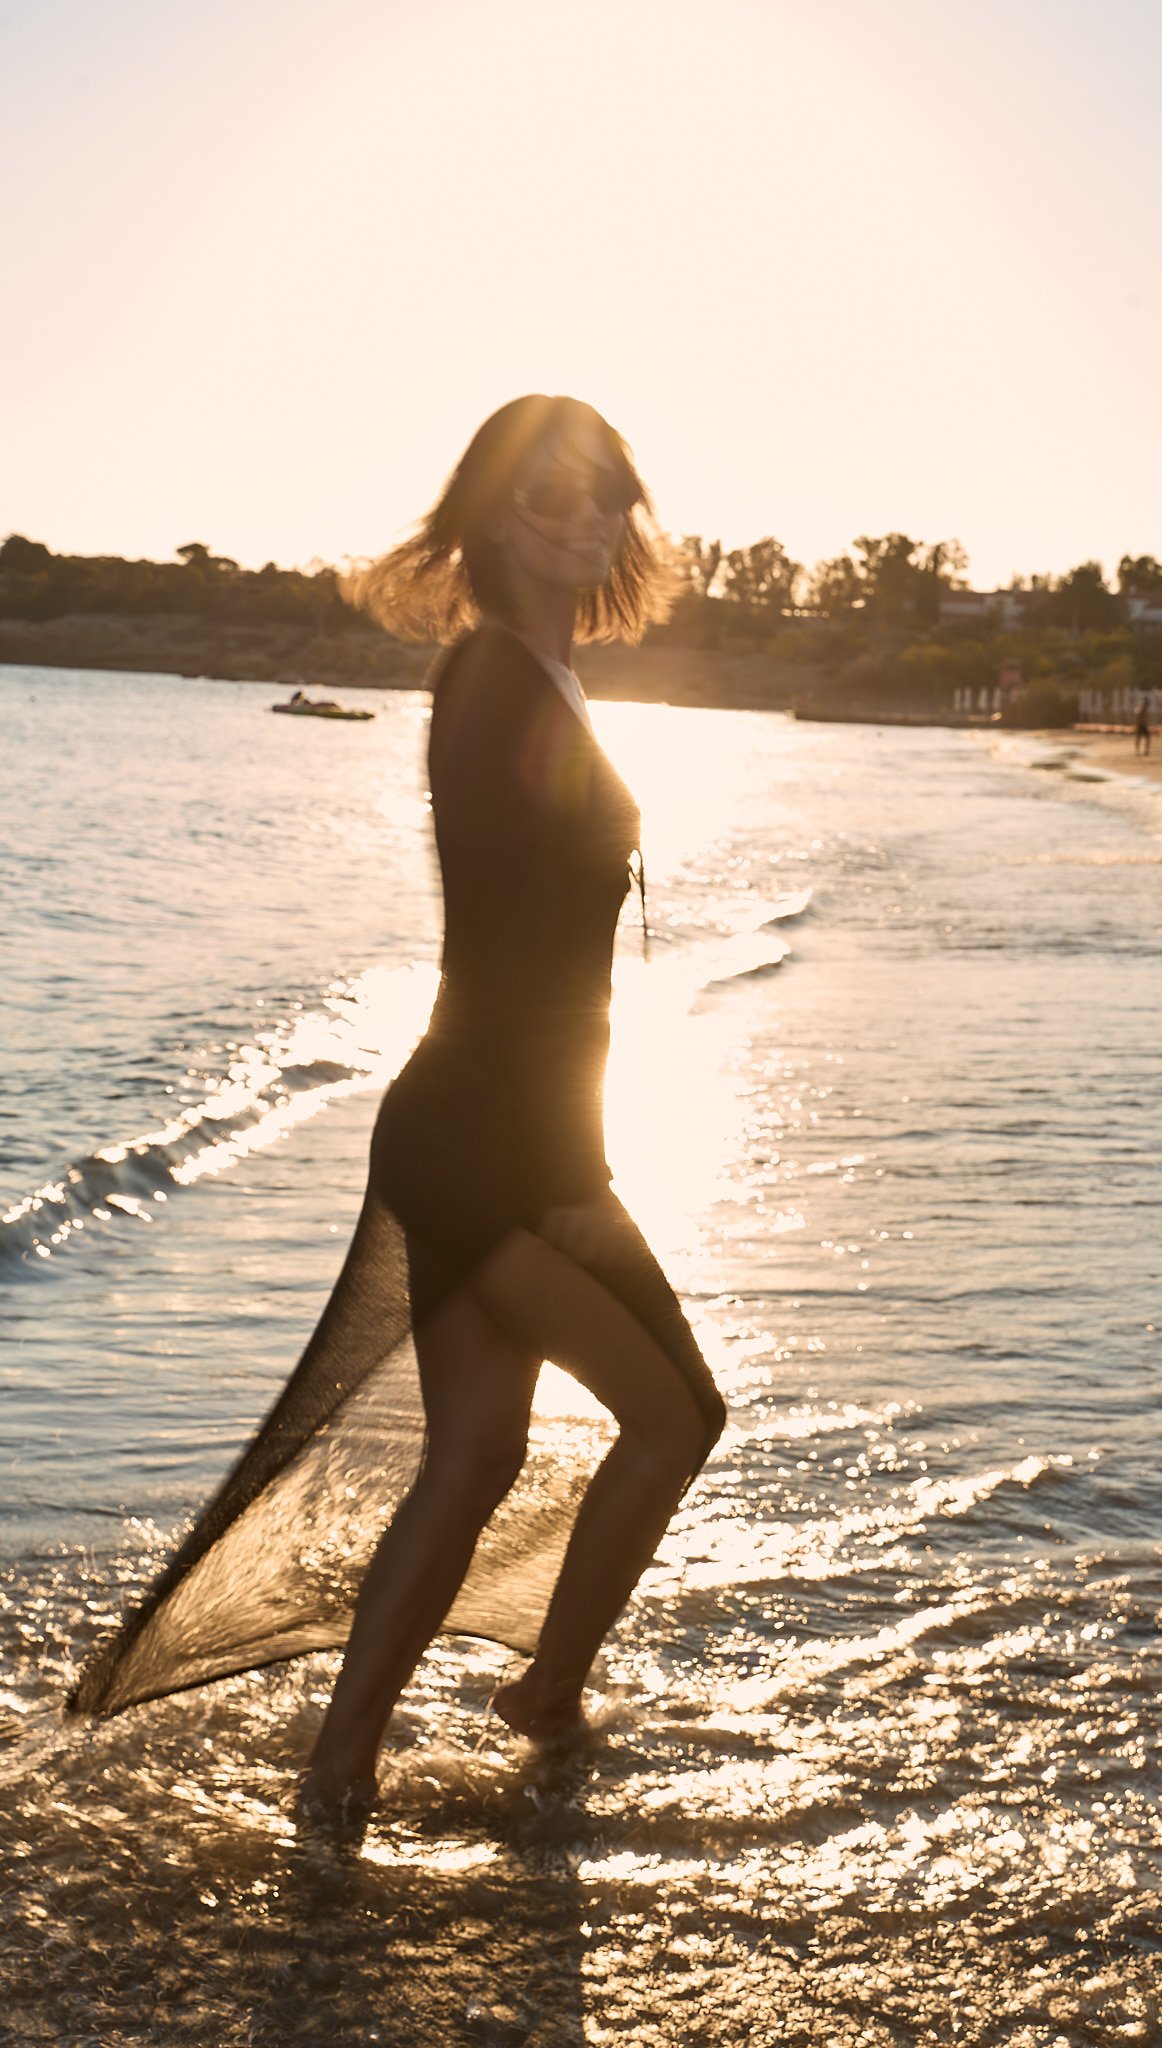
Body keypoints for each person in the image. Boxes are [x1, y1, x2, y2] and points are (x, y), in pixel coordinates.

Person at [69, 395, 726, 1824]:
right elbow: (504, 942)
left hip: (482, 1129)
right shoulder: (489, 680)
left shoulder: (538, 675)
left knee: (480, 1454)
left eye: (608, 492)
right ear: (494, 513)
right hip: (499, 1140)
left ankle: (337, 1770)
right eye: (552, 492)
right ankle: (542, 1697)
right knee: (678, 1419)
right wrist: (561, 1169)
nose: (586, 515)